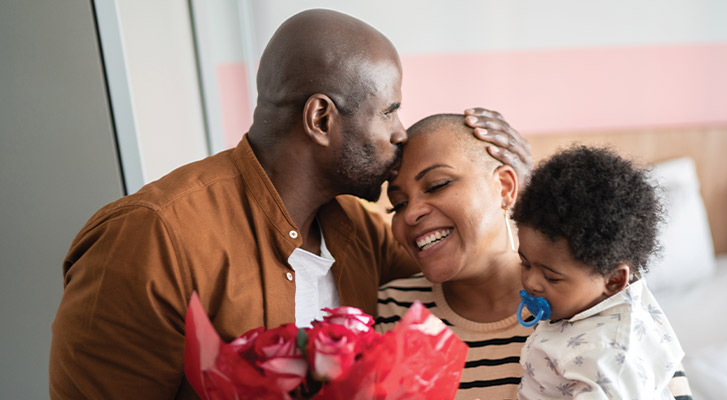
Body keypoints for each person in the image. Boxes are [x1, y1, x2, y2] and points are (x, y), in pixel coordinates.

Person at [49, 10, 531, 399]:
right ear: (321, 118)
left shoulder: (362, 232)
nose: (401, 133)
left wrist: (516, 188)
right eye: (389, 110)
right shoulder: (154, 236)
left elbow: (477, 249)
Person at [376, 115, 693, 400]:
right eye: (397, 204)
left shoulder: (603, 308)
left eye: (437, 185)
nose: (411, 214)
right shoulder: (390, 313)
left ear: (505, 186)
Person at [514, 145, 684, 399]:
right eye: (524, 263)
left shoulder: (606, 359)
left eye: (551, 277)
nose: (531, 282)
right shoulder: (595, 299)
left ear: (614, 280)